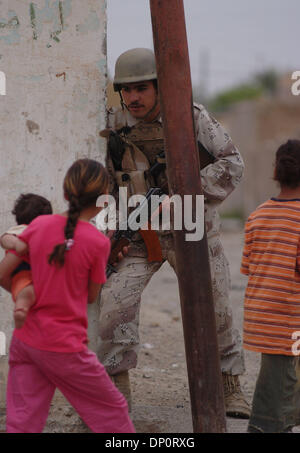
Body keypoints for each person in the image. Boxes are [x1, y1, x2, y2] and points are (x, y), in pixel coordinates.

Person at [98, 47, 250, 417]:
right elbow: (101, 181)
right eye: (127, 89)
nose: (133, 97)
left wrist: (183, 196)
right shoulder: (113, 123)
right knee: (114, 304)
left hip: (191, 226)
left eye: (142, 88)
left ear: (159, 87)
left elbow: (233, 164)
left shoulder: (191, 117)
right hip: (138, 232)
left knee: (215, 305)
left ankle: (230, 387)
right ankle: (116, 395)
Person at [0, 159, 135, 433]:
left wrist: (24, 293)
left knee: (23, 422)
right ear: (103, 201)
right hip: (65, 347)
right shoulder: (98, 243)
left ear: (64, 193)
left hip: (26, 341)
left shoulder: (38, 225)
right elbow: (90, 295)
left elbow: (4, 273)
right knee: (113, 413)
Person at [241, 139, 300, 433]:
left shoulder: (257, 215)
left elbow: (248, 267)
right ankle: (265, 425)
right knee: (280, 376)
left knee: (287, 372)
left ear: (276, 171)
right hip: (289, 318)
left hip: (261, 312)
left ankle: (286, 419)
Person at [0, 193, 53, 329]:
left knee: (25, 294)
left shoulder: (19, 232)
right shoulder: (24, 231)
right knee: (28, 293)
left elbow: (4, 239)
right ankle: (22, 308)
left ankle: (21, 309)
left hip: (24, 277)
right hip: (35, 278)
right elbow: (5, 239)